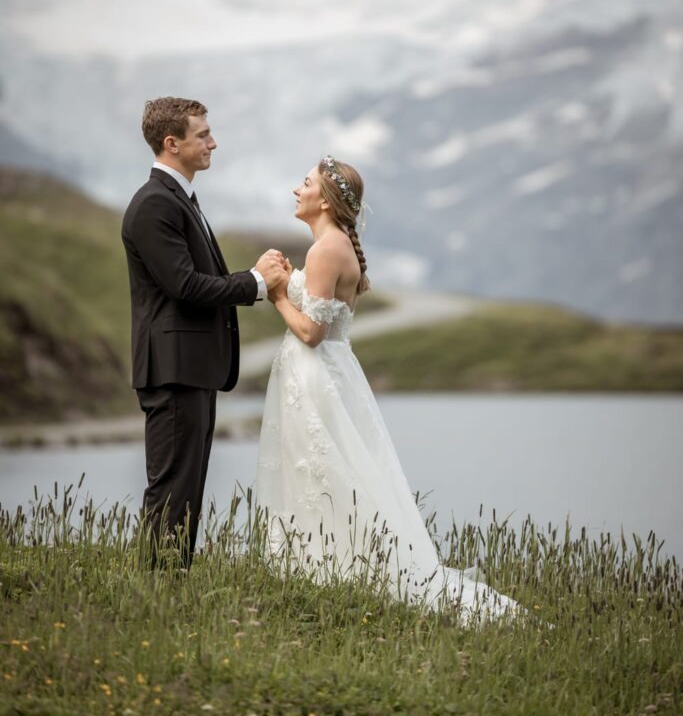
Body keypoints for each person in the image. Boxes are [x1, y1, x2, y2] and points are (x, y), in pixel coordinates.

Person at [255, 155, 520, 619]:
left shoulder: (325, 250)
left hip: (314, 375)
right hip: (327, 375)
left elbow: (312, 333)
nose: (297, 190)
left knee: (321, 470)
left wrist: (278, 293)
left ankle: (328, 567)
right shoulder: (335, 246)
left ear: (326, 200)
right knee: (323, 470)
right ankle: (319, 564)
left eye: (305, 183)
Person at [122, 96, 286, 566]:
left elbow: (192, 280)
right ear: (172, 144)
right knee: (173, 486)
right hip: (172, 371)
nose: (213, 142)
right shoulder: (154, 203)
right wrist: (255, 282)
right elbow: (184, 286)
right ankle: (157, 590)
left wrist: (253, 277)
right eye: (203, 135)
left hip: (191, 370)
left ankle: (170, 586)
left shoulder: (177, 198)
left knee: (186, 487)